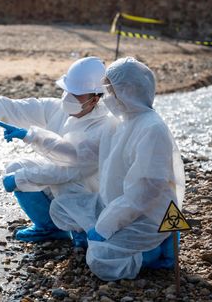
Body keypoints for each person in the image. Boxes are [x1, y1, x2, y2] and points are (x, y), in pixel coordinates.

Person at [49, 57, 186, 281]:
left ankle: (155, 251)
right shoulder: (121, 120)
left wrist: (105, 226)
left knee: (99, 260)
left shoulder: (152, 129)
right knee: (61, 207)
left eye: (111, 90)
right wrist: (32, 137)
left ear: (128, 90)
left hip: (147, 216)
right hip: (114, 203)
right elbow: (83, 152)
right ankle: (111, 239)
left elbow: (144, 194)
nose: (107, 96)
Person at [0, 57, 116, 247]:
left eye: (76, 95)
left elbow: (69, 170)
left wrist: (22, 176)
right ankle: (49, 228)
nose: (68, 98)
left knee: (64, 185)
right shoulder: (57, 109)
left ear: (95, 98)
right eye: (67, 90)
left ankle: (82, 229)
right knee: (16, 167)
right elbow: (21, 109)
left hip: (86, 188)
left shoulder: (103, 126)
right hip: (62, 177)